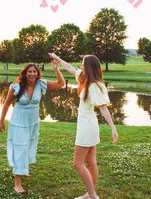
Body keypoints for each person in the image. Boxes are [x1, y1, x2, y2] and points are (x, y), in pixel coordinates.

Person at [49, 53, 119, 199]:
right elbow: (69, 68)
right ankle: (89, 195)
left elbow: (103, 108)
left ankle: (93, 196)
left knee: (78, 163)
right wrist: (57, 58)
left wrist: (113, 128)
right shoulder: (84, 78)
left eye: (83, 64)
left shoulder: (94, 86)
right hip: (88, 124)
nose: (80, 66)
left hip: (87, 126)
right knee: (91, 162)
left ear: (89, 67)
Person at [0, 60, 65, 195]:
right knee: (21, 148)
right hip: (18, 122)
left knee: (26, 147)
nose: (32, 74)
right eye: (30, 71)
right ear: (25, 73)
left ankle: (21, 168)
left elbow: (61, 84)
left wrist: (55, 68)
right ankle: (17, 183)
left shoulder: (41, 84)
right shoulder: (16, 86)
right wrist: (1, 121)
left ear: (37, 73)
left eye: (34, 71)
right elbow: (6, 104)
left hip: (33, 122)